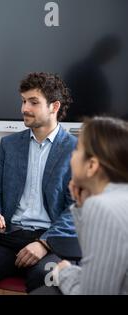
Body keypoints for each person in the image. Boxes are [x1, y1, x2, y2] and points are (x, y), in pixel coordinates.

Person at [0, 72, 77, 294]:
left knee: (44, 277)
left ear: (54, 106)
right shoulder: (9, 145)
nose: (24, 109)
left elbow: (76, 211)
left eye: (33, 102)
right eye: (23, 101)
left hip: (53, 240)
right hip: (11, 235)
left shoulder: (76, 149)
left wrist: (44, 243)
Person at [34, 117, 128, 295]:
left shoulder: (101, 207)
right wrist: (80, 206)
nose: (71, 156)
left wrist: (63, 272)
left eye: (77, 150)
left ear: (91, 165)